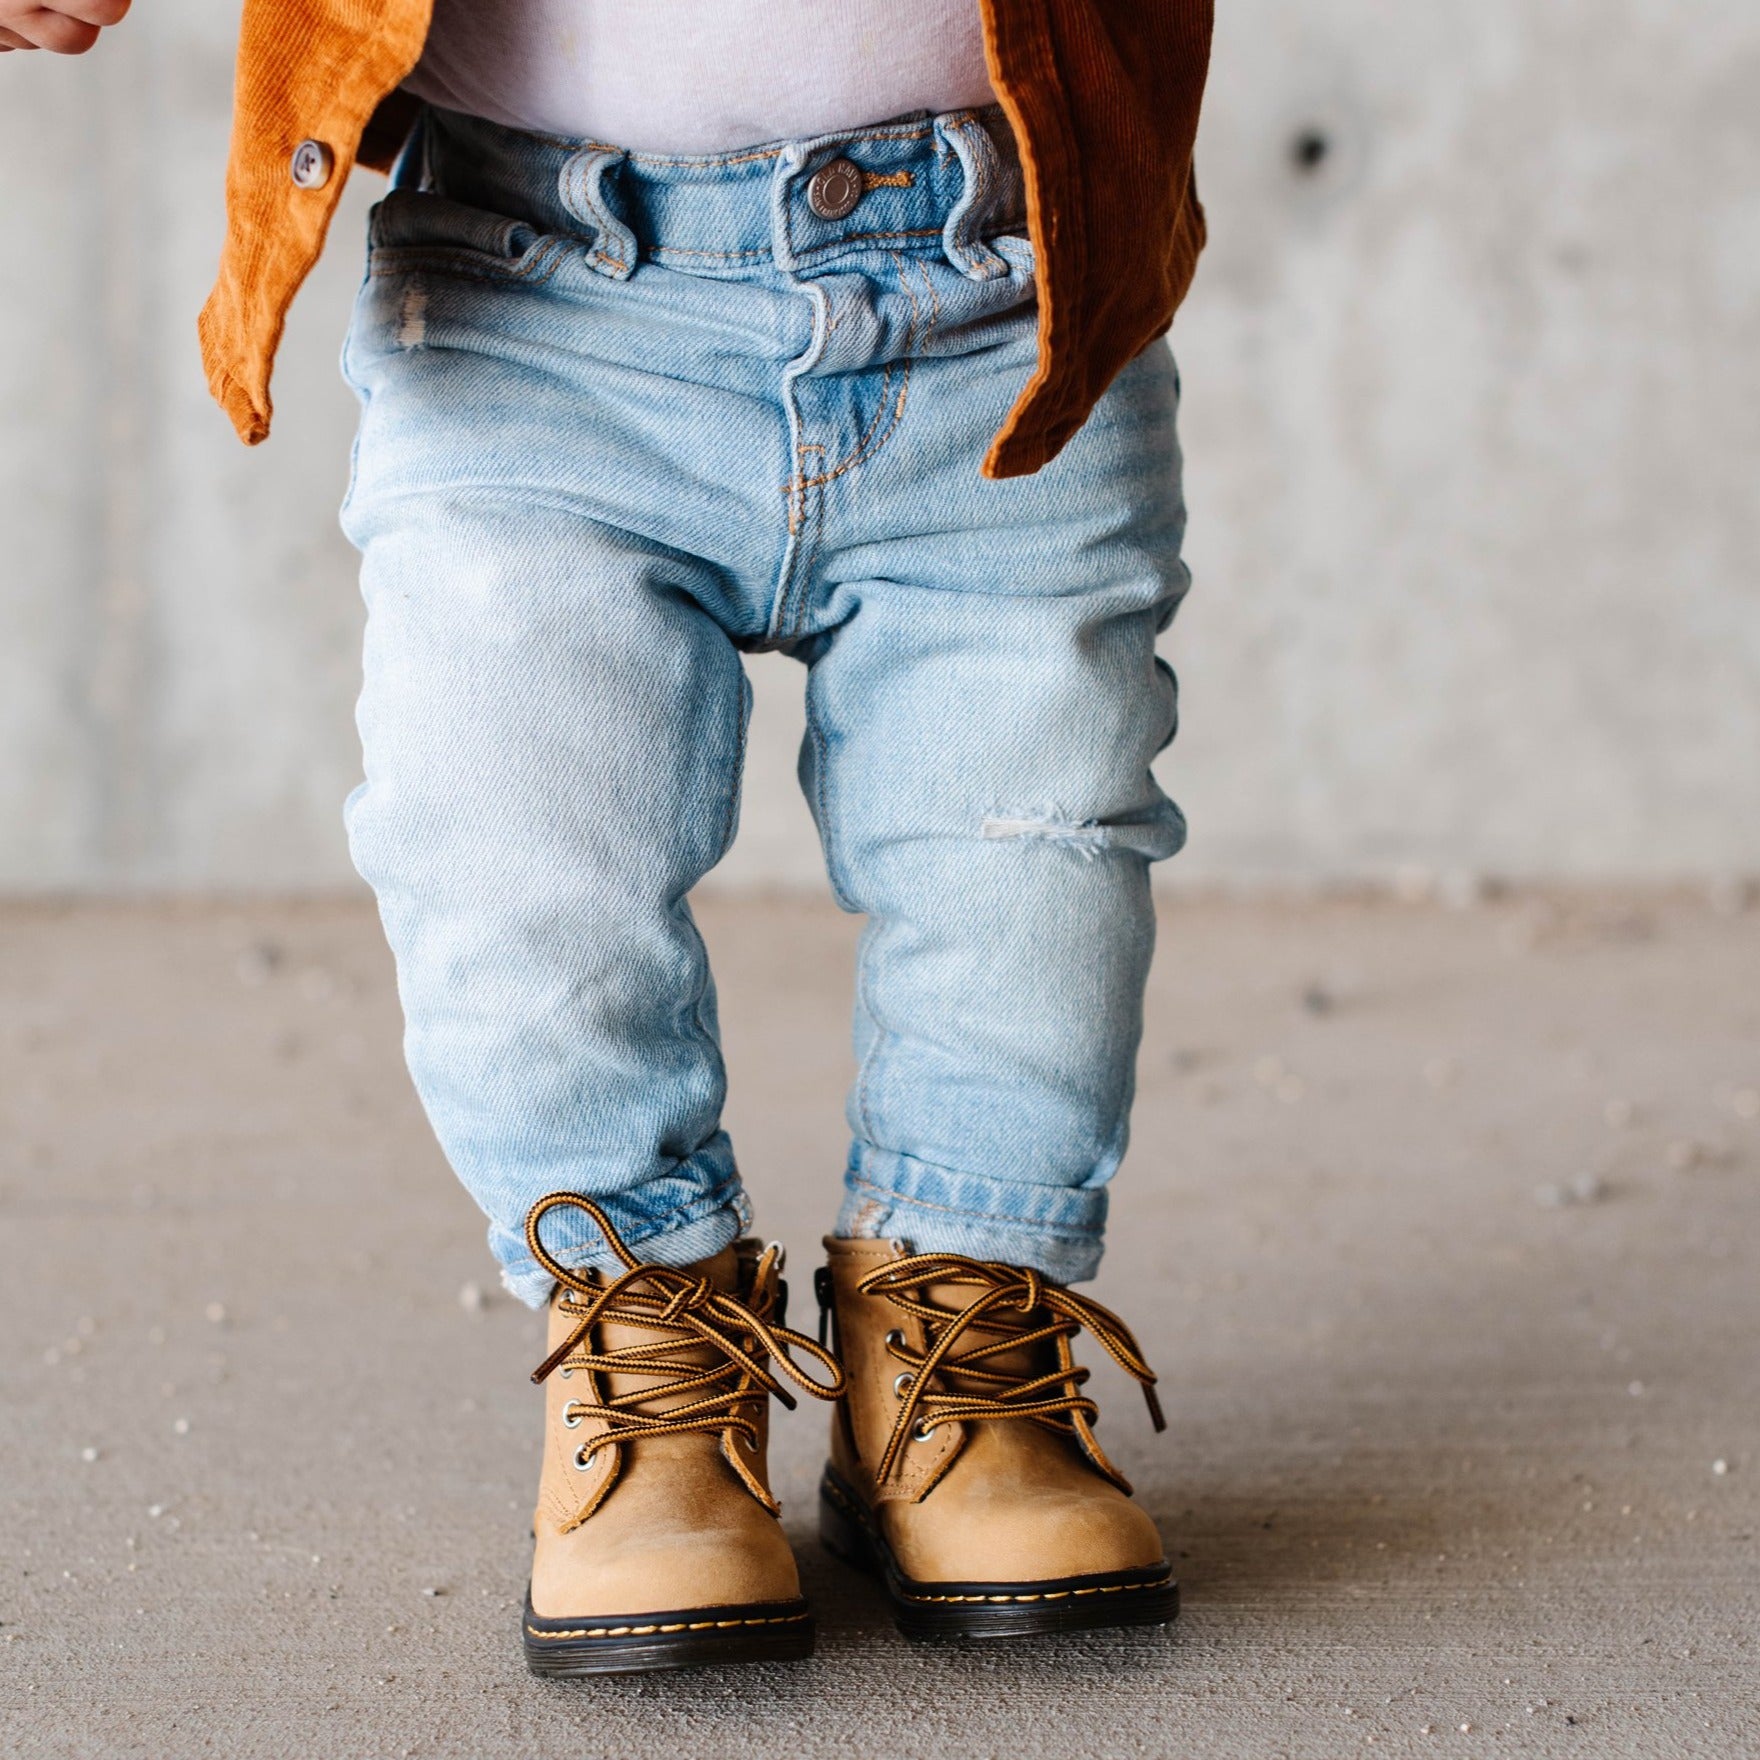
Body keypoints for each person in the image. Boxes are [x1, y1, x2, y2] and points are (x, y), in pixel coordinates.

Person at [5, 0, 1213, 1675]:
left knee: (1031, 842)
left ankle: (963, 1326)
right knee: (513, 846)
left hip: (1001, 277)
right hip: (532, 298)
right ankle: (643, 1345)